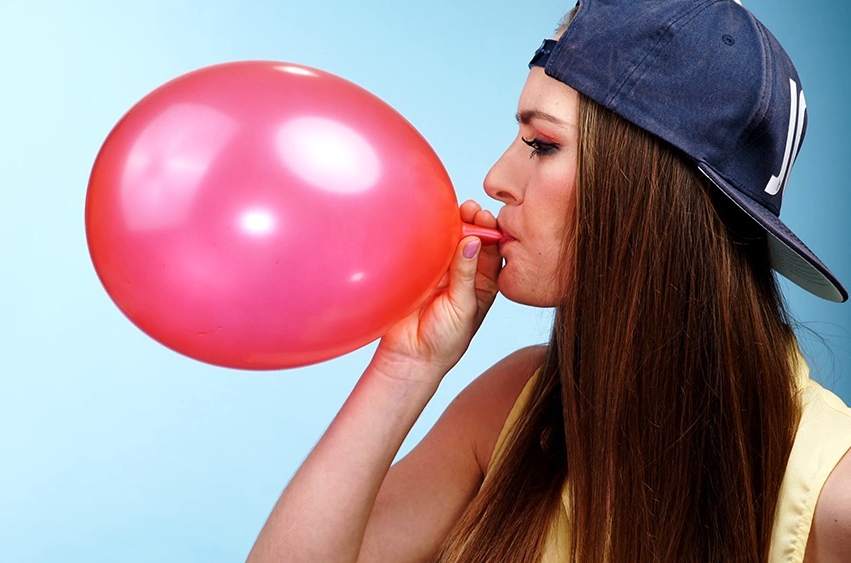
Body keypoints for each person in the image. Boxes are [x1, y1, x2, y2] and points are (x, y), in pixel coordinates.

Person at [248, 1, 851, 561]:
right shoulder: (513, 407)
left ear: (655, 195)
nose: (495, 179)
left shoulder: (832, 499)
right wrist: (406, 369)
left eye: (541, 144)